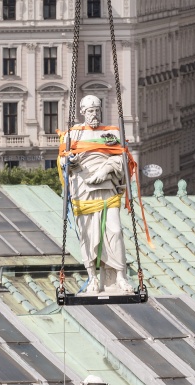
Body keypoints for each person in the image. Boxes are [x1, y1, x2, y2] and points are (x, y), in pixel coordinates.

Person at [60, 95, 135, 295]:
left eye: (97, 110)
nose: (94, 114)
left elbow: (123, 159)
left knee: (115, 231)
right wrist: (71, 161)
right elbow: (62, 161)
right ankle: (92, 276)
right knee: (87, 234)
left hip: (107, 188)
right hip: (83, 191)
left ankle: (120, 276)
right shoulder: (72, 135)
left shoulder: (111, 133)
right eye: (90, 111)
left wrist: (106, 168)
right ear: (82, 112)